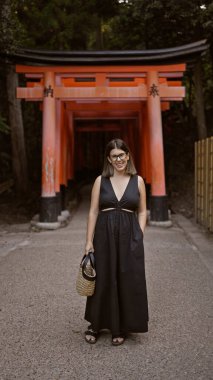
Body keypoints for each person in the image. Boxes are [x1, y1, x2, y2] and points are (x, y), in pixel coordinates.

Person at [84, 138, 148, 346]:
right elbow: (93, 211)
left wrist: (139, 234)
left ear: (128, 156)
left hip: (130, 236)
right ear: (109, 160)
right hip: (104, 235)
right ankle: (95, 324)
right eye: (114, 156)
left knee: (127, 277)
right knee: (103, 277)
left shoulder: (137, 181)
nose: (119, 159)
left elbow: (142, 211)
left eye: (122, 155)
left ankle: (119, 327)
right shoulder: (99, 181)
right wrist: (88, 242)